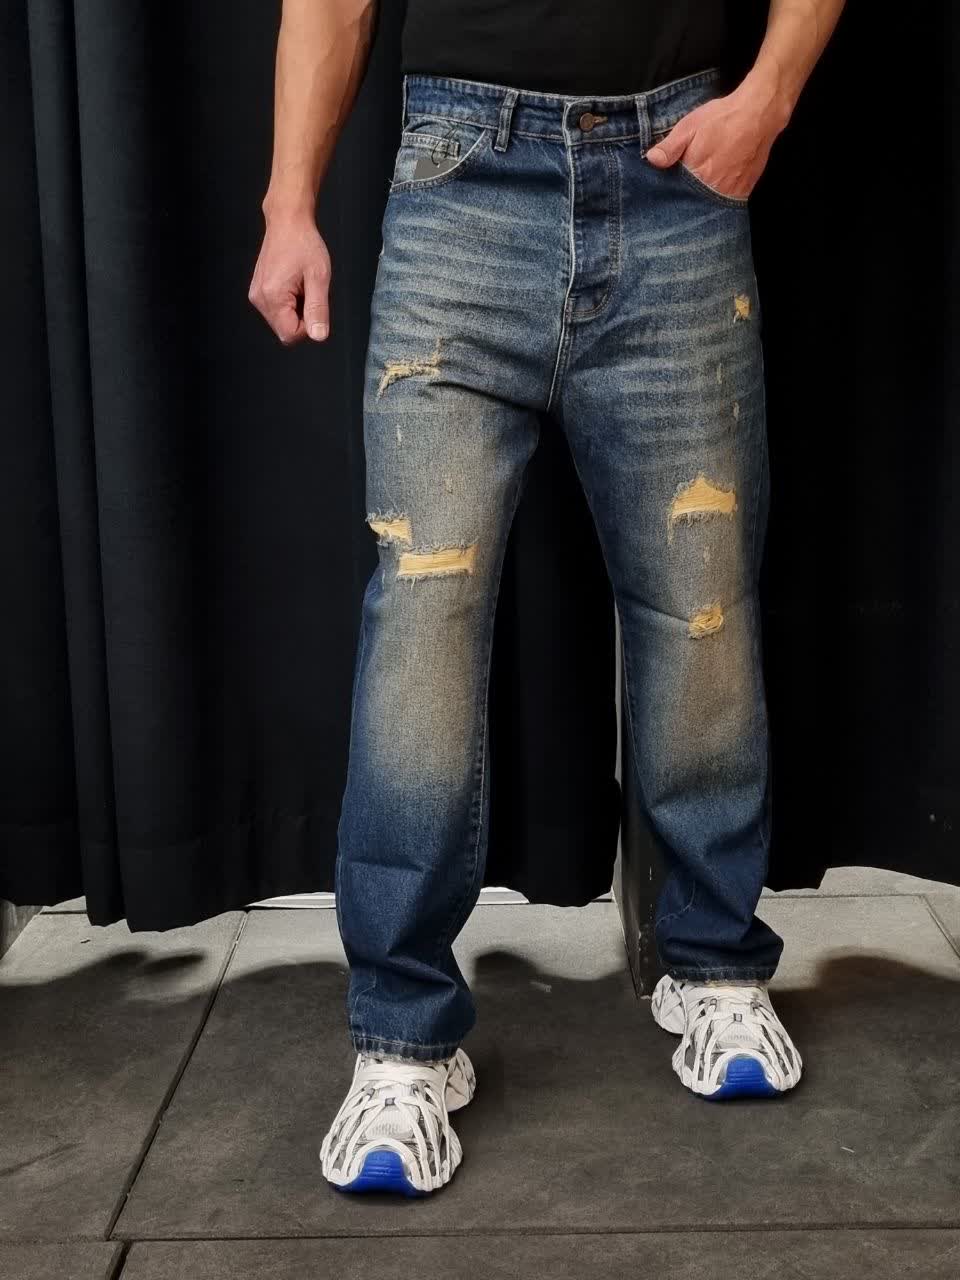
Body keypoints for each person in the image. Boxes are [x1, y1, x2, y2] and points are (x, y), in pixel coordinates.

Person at [249, 0, 846, 1196]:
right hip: (461, 181)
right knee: (422, 616)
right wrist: (288, 204)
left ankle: (716, 966)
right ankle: (401, 1036)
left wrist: (770, 100)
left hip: (676, 176)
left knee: (700, 604)